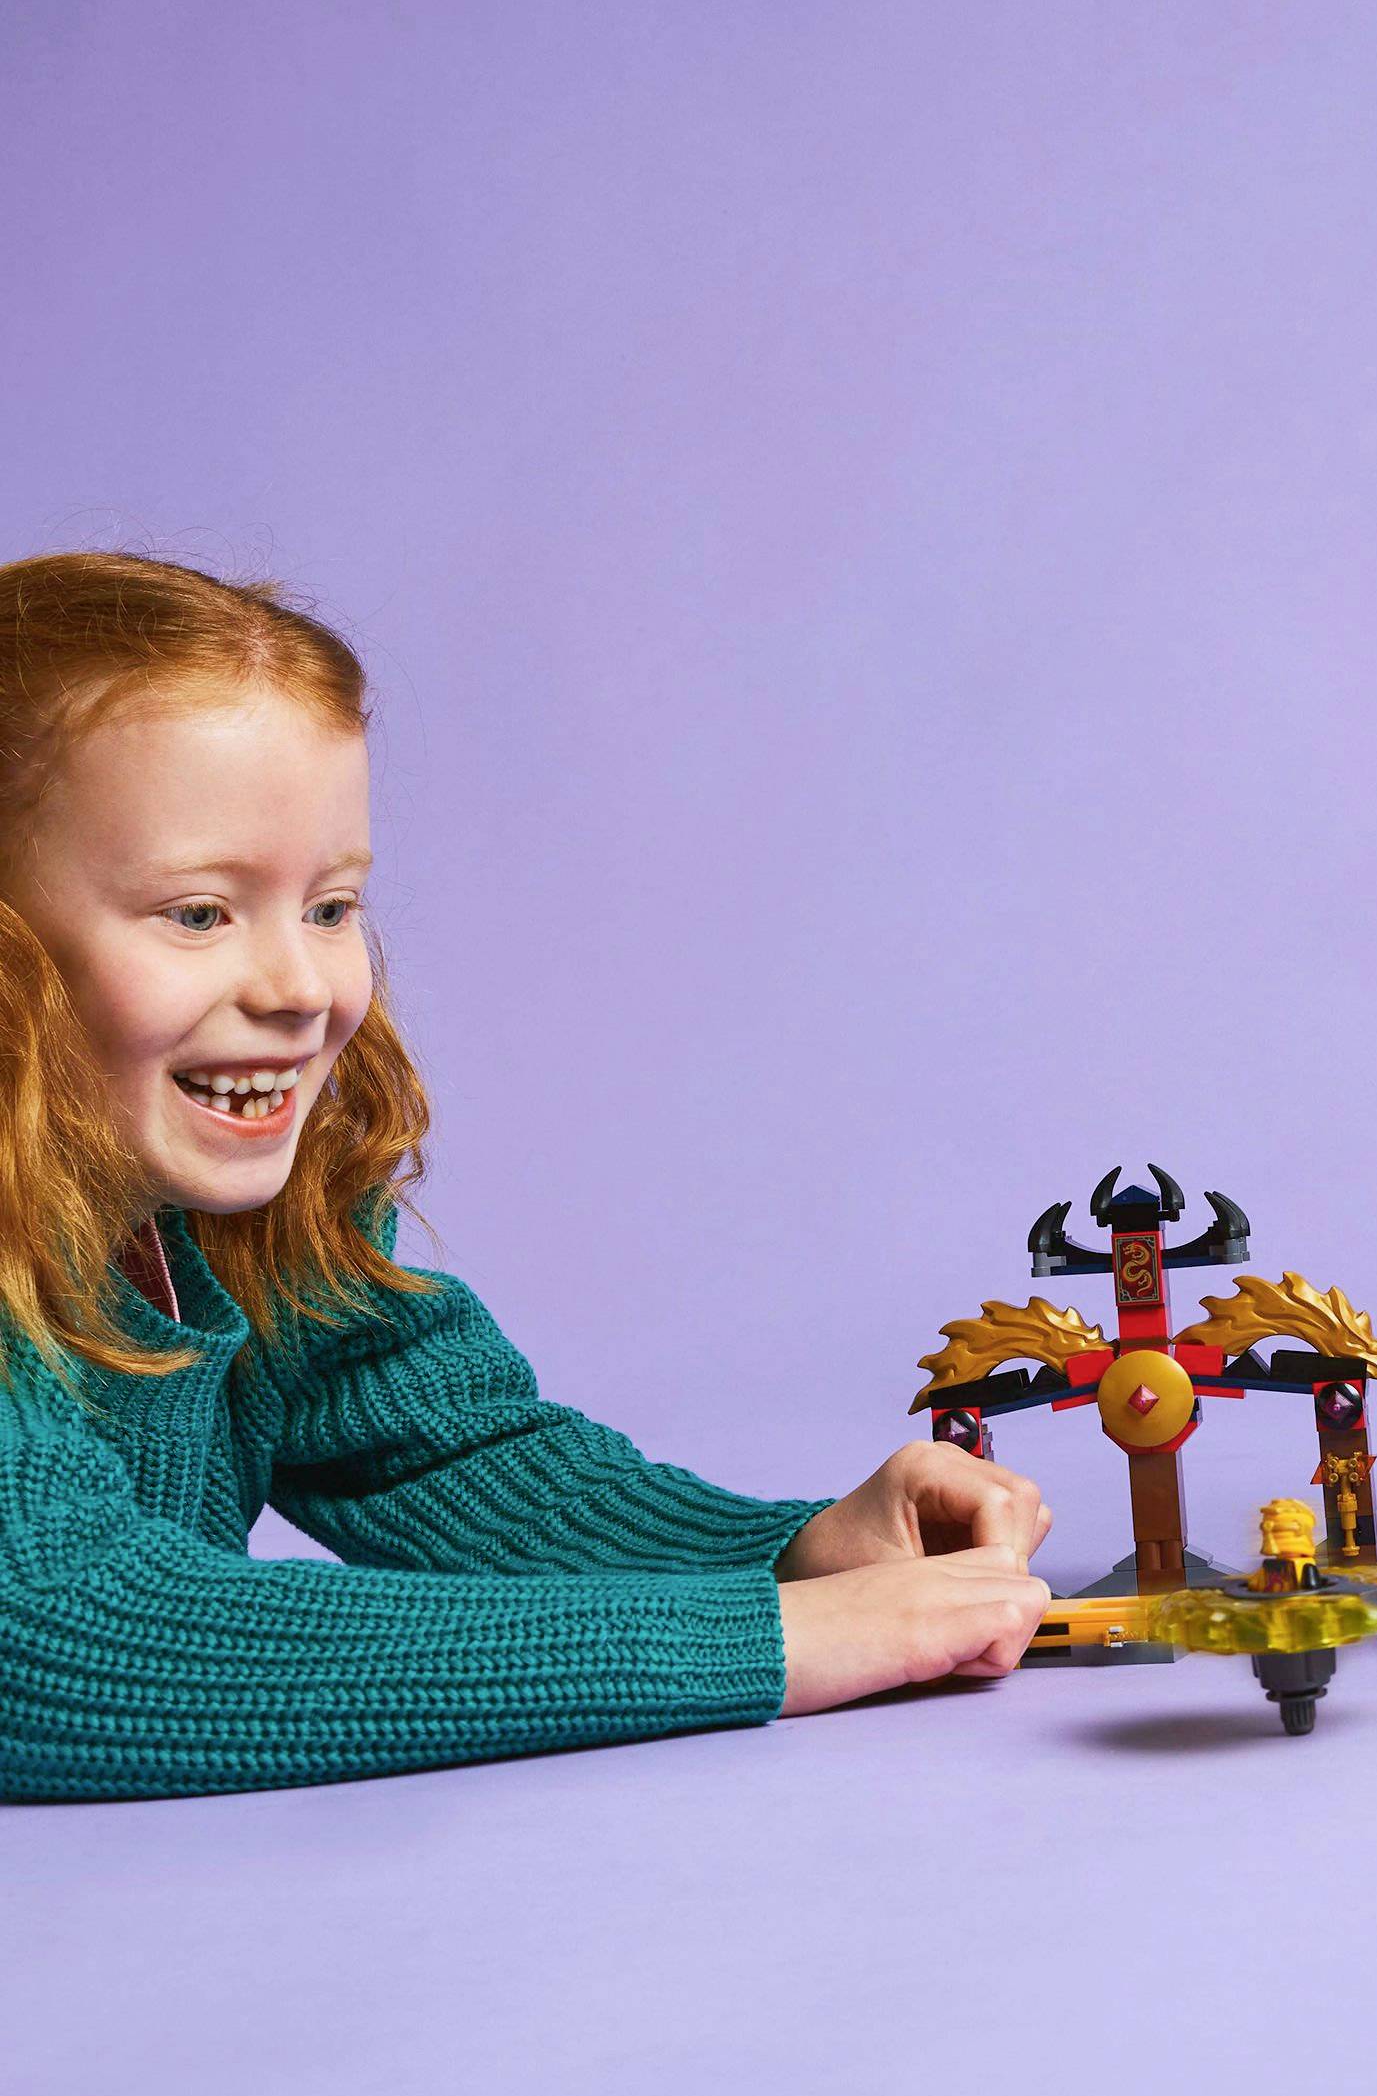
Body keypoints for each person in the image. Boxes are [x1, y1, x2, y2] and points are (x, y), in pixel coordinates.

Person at [0, 553, 1051, 1800]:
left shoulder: (220, 1211)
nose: (298, 988)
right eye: (198, 913)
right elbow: (53, 1635)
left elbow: (441, 1458)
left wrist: (791, 1555)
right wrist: (775, 1644)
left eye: (331, 908)